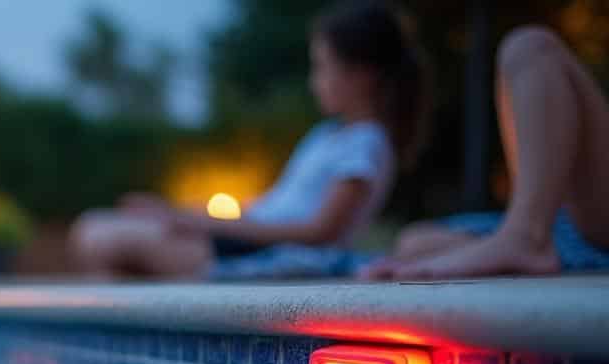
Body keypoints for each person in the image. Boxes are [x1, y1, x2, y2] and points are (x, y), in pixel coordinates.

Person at [71, 1, 427, 280]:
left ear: (362, 75)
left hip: (265, 255)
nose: (314, 81)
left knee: (97, 235)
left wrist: (203, 223)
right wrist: (186, 213)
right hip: (241, 242)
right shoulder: (327, 136)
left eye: (322, 67)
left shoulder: (366, 144)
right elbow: (276, 204)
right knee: (99, 231)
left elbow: (320, 231)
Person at [361, 26, 609, 280]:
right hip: (564, 227)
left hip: (576, 228)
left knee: (530, 46)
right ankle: (523, 237)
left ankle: (526, 238)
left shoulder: (365, 140)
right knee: (413, 242)